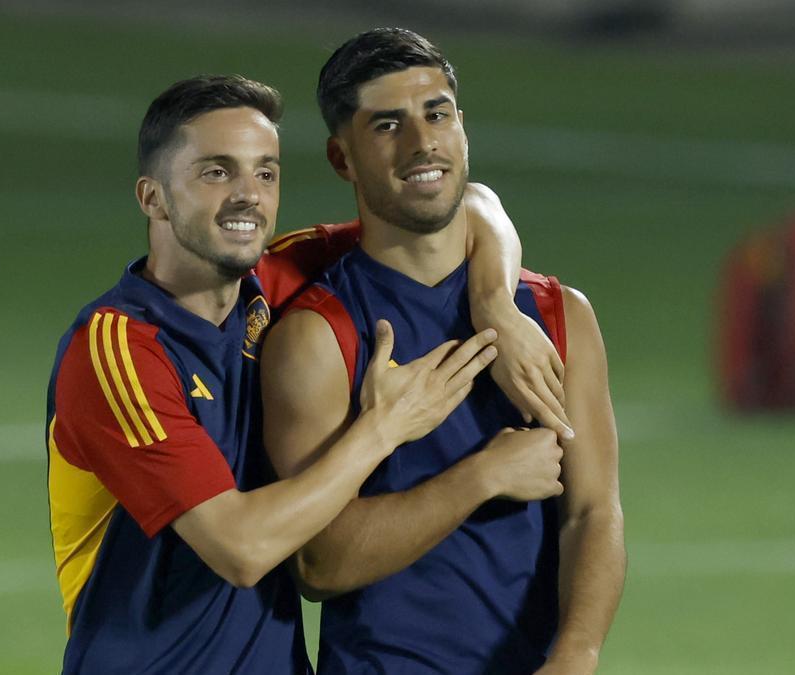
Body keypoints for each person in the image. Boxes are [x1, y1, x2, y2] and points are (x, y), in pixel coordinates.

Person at [45, 74, 566, 673]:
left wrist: (496, 300)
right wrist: (383, 429)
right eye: (217, 172)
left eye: (264, 172)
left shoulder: (273, 281)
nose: (249, 196)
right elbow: (243, 548)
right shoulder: (116, 352)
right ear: (152, 197)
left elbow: (465, 205)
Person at [262, 28, 626, 674]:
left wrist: (576, 652)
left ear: (463, 128)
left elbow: (594, 511)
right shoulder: (317, 338)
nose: (422, 142)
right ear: (341, 158)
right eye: (387, 125)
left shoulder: (556, 315)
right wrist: (481, 476)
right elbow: (319, 562)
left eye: (438, 114)